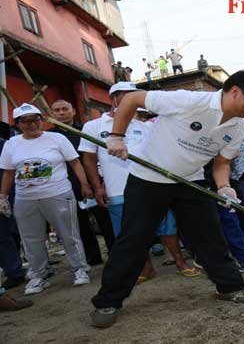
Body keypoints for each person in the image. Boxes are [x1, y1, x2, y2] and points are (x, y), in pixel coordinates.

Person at [90, 70, 244, 328]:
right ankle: (107, 302)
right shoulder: (188, 101)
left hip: (190, 181)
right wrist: (116, 136)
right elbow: (131, 100)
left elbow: (221, 163)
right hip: (148, 178)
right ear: (234, 91)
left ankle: (230, 288)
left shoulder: (237, 127)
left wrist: (224, 187)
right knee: (134, 239)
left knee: (210, 237)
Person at [79, 82, 200, 285]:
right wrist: (98, 186)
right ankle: (146, 269)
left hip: (151, 186)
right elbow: (89, 158)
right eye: (126, 96)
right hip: (117, 188)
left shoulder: (143, 126)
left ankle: (180, 262)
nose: (131, 100)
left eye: (135, 96)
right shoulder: (93, 126)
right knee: (130, 232)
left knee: (167, 226)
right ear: (113, 99)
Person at [0, 104, 92, 296]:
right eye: (25, 122)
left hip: (58, 193)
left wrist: (84, 184)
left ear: (41, 120)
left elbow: (75, 163)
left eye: (35, 120)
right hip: (26, 198)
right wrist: (3, 196)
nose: (31, 125)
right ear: (17, 125)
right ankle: (38, 275)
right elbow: (8, 173)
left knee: (69, 233)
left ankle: (80, 268)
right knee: (31, 239)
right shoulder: (11, 144)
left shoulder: (57, 138)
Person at [50, 99, 115, 265]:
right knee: (80, 224)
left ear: (73, 112)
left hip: (95, 180)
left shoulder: (87, 130)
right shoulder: (50, 136)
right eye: (57, 110)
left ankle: (115, 253)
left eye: (65, 109)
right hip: (67, 185)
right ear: (52, 114)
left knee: (105, 219)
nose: (61, 113)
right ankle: (93, 258)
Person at [0, 136, 26, 290]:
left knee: (6, 235)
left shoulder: (3, 144)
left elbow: (8, 171)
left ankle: (14, 272)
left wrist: (4, 195)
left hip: (6, 193)